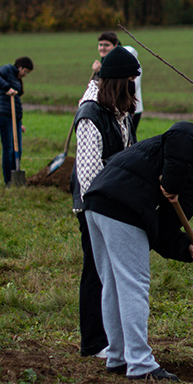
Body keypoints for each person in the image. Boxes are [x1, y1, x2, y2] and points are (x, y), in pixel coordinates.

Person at [82, 121, 193, 381]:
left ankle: (118, 357)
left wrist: (187, 248)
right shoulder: (191, 139)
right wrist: (173, 184)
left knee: (114, 284)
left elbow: (161, 231)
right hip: (122, 207)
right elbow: (182, 131)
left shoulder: (169, 159)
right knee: (133, 285)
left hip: (98, 203)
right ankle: (140, 363)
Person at [71, 46, 140, 358]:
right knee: (96, 272)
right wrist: (114, 204)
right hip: (95, 208)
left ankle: (113, 338)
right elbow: (89, 176)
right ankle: (94, 342)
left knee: (110, 273)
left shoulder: (116, 110)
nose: (132, 89)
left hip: (115, 206)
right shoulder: (91, 114)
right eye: (128, 82)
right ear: (115, 82)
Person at [0, 56, 34, 186]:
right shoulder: (7, 70)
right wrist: (7, 87)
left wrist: (20, 122)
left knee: (17, 149)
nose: (26, 75)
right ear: (20, 67)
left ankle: (15, 178)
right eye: (26, 71)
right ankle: (8, 180)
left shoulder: (18, 80)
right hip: (4, 115)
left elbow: (17, 100)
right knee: (8, 149)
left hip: (15, 118)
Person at [91, 31, 143, 131]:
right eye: (100, 45)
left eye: (106, 45)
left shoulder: (126, 60)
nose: (102, 48)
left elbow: (129, 88)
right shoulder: (106, 61)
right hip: (114, 109)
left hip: (129, 108)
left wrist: (100, 71)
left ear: (116, 46)